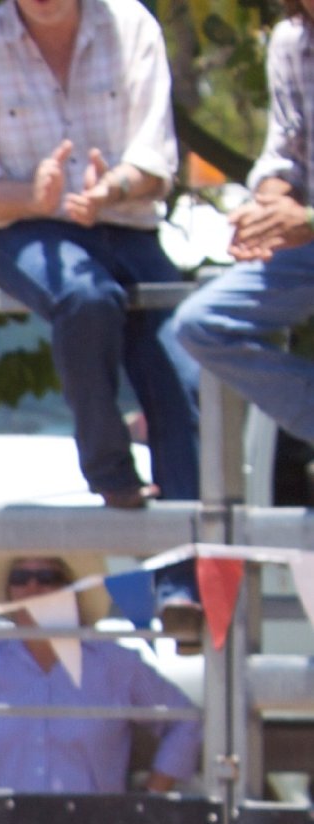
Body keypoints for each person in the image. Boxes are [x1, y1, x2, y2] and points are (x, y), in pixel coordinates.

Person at [0, 0, 202, 640]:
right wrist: (34, 196)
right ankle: (108, 468)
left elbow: (156, 157)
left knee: (187, 378)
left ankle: (183, 588)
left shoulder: (131, 24)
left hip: (128, 225)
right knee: (85, 297)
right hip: (26, 231)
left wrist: (113, 188)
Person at [170, 0, 314, 480]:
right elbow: (284, 154)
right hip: (306, 241)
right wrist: (267, 210)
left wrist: (306, 219)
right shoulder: (292, 41)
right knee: (201, 324)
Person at [0, 551, 199, 791]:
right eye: (20, 578)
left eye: (47, 577)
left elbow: (186, 721)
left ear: (74, 591)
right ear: (9, 593)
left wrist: (150, 800)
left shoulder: (114, 663)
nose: (32, 587)